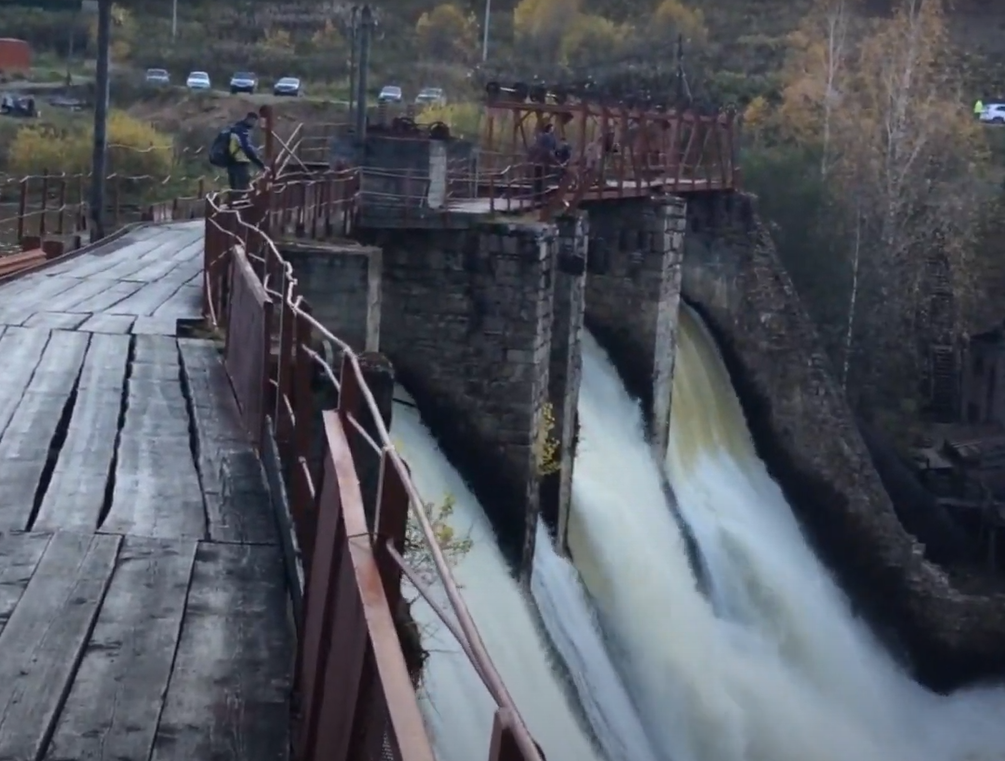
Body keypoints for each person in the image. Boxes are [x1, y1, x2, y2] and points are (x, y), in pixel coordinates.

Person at [227, 111, 266, 192]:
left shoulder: (235, 128)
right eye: (255, 121)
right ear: (250, 119)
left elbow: (242, 146)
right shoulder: (243, 131)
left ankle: (232, 202)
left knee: (234, 190)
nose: (255, 124)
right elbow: (247, 149)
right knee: (242, 190)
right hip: (239, 164)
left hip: (230, 163)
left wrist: (256, 150)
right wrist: (260, 164)